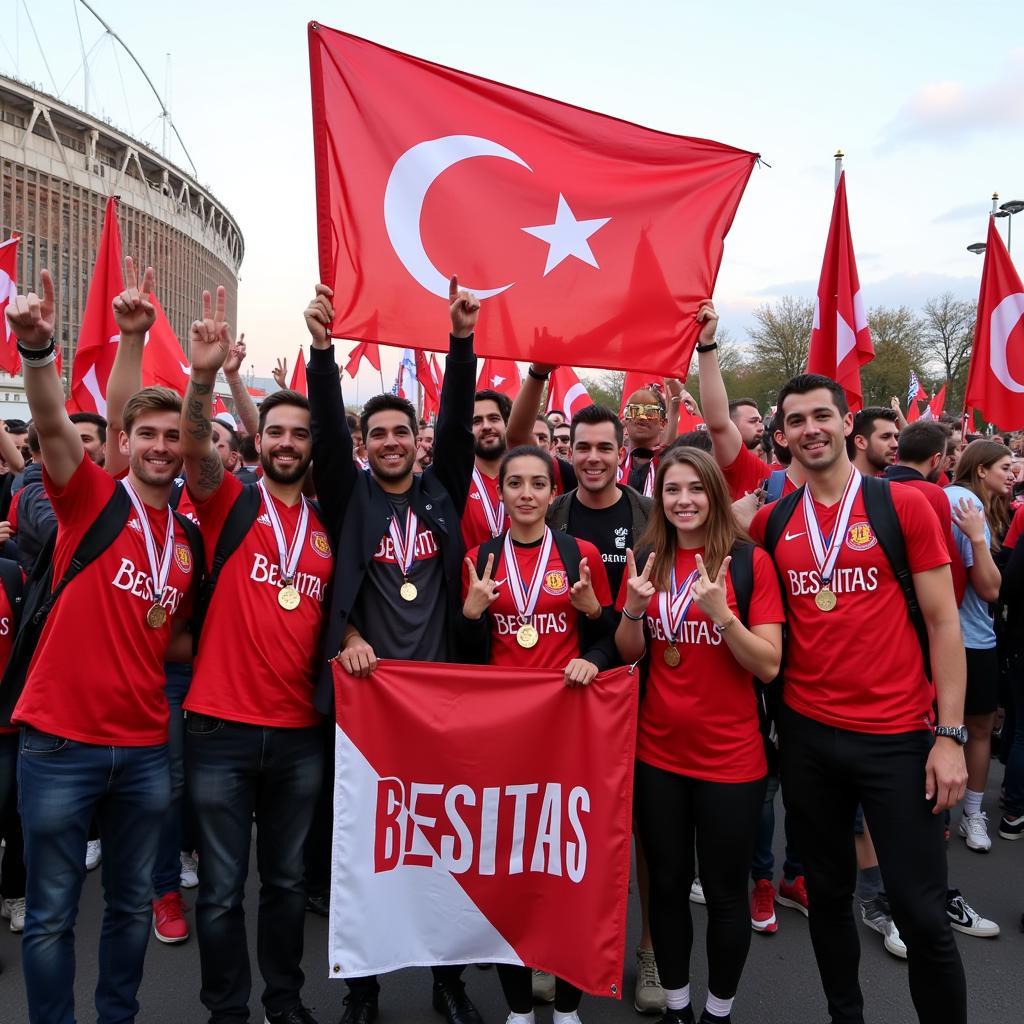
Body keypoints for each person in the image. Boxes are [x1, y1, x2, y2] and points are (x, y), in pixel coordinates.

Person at [6, 266, 198, 1024]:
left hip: (146, 747)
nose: (157, 445)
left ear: (185, 448)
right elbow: (53, 423)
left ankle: (115, 1016)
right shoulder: (88, 497)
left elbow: (170, 634)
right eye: (144, 433)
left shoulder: (184, 542)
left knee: (127, 908)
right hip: (60, 744)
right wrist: (40, 351)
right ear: (124, 442)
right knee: (52, 914)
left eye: (170, 436)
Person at [748, 371, 968, 1024]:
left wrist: (950, 736)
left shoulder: (904, 506)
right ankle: (846, 1015)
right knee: (830, 900)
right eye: (796, 420)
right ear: (782, 434)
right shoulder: (772, 520)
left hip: (899, 738)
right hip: (810, 740)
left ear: (847, 422)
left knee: (924, 915)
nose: (810, 428)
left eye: (822, 415)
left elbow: (943, 622)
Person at [304, 276, 485, 1024]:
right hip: (368, 707)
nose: (389, 443)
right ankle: (364, 991)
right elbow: (319, 432)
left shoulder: (441, 491)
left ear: (415, 442)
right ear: (363, 445)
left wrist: (463, 340)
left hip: (440, 702)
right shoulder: (352, 497)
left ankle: (449, 984)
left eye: (400, 433)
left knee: (446, 857)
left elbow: (457, 435)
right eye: (376, 434)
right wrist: (322, 352)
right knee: (368, 857)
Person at [179, 285, 334, 1024]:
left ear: (312, 445)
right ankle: (226, 1009)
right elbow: (190, 451)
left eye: (299, 434)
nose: (286, 443)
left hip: (300, 731)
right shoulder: (227, 501)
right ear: (256, 440)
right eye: (275, 432)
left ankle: (283, 999)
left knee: (282, 883)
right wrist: (206, 378)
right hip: (218, 728)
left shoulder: (332, 525)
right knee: (217, 889)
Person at [616, 446, 783, 1024]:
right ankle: (680, 1007)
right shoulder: (646, 557)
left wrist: (723, 615)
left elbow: (767, 664)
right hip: (657, 753)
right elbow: (629, 656)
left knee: (726, 894)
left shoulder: (747, 562)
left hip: (731, 760)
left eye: (695, 489)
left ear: (713, 493)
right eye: (671, 490)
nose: (683, 500)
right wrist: (634, 611)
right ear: (659, 497)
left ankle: (719, 1011)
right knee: (664, 888)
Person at [459, 444, 613, 1024]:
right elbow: (466, 657)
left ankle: (568, 1007)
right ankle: (520, 1007)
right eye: (515, 484)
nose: (526, 494)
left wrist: (594, 635)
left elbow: (607, 640)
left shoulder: (581, 553)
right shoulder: (481, 558)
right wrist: (472, 613)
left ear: (555, 493)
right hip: (503, 740)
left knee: (568, 869)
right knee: (511, 873)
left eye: (538, 484)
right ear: (501, 493)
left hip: (569, 734)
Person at [945, 440, 1012, 853]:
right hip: (969, 639)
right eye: (1005, 466)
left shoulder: (948, 496)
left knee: (945, 729)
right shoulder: (970, 506)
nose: (1013, 473)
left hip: (944, 636)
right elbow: (989, 588)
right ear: (982, 469)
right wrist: (979, 538)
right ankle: (971, 813)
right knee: (978, 727)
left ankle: (947, 815)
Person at [695, 311, 771, 503]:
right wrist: (707, 345)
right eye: (752, 421)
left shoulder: (774, 474)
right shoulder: (747, 468)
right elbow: (718, 423)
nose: (761, 427)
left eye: (760, 421)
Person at [462, 388, 512, 549]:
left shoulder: (526, 478)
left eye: (494, 418)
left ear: (506, 423)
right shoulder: (456, 482)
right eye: (476, 421)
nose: (486, 426)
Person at [847, 408, 899, 477]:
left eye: (896, 437)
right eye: (885, 437)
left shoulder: (890, 486)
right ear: (860, 442)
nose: (895, 444)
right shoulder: (836, 486)